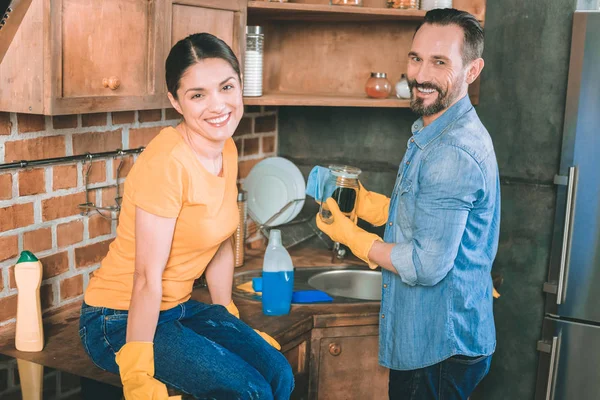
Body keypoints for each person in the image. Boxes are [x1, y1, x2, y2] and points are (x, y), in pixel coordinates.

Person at [79, 33, 294, 400]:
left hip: (177, 307)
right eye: (198, 95)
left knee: (279, 374)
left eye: (226, 87)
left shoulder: (225, 146)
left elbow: (221, 238)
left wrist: (226, 316)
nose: (218, 105)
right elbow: (146, 278)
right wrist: (137, 369)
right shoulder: (167, 163)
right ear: (175, 102)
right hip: (117, 317)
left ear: (240, 85)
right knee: (250, 391)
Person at [316, 9, 499, 400]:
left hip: (436, 346)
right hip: (445, 337)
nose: (420, 75)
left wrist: (353, 237)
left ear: (472, 70)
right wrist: (367, 205)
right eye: (415, 58)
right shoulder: (436, 127)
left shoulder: (452, 150)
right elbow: (427, 211)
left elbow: (425, 264)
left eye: (439, 62)